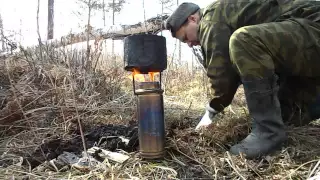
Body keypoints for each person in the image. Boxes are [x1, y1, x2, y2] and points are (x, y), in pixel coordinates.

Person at [163, 0, 320, 159]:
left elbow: (222, 76)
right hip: (305, 44)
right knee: (285, 115)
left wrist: (211, 111)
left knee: (243, 40)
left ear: (192, 19)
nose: (189, 44)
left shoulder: (210, 20)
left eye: (185, 38)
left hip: (313, 28)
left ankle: (268, 133)